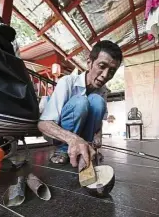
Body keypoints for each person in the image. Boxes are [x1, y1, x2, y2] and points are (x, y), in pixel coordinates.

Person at [38, 40, 122, 169]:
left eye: (111, 71)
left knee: (97, 101)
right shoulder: (67, 82)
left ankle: (85, 149)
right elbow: (43, 124)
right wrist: (73, 139)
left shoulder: (103, 91)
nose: (105, 75)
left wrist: (98, 136)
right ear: (89, 63)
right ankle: (64, 149)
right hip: (60, 136)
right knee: (81, 101)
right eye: (102, 66)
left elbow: (98, 121)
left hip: (83, 138)